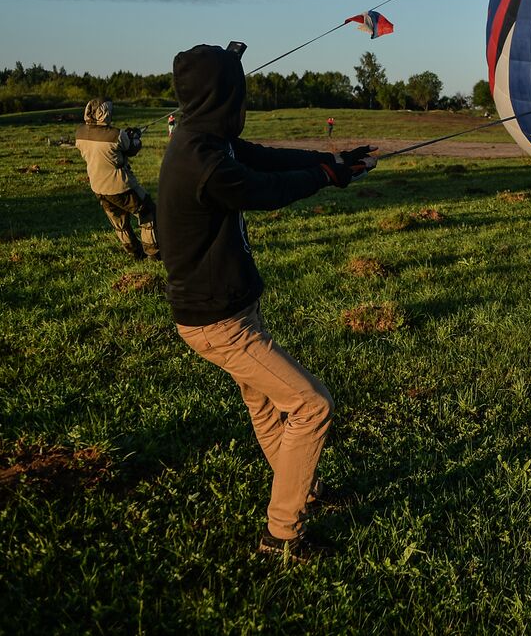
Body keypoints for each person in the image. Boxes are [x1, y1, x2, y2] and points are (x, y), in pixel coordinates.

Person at [158, 42, 376, 559]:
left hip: (228, 310)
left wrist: (331, 161)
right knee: (311, 405)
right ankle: (281, 535)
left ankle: (299, 490)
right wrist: (325, 177)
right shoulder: (204, 161)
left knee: (263, 402)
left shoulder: (204, 139)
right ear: (223, 94)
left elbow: (268, 159)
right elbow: (263, 189)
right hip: (217, 324)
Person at [75, 98, 160, 260]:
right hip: (122, 186)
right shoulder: (116, 134)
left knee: (120, 223)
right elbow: (132, 148)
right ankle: (153, 253)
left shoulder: (80, 133)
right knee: (147, 212)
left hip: (98, 187)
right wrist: (135, 137)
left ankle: (134, 253)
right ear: (104, 113)